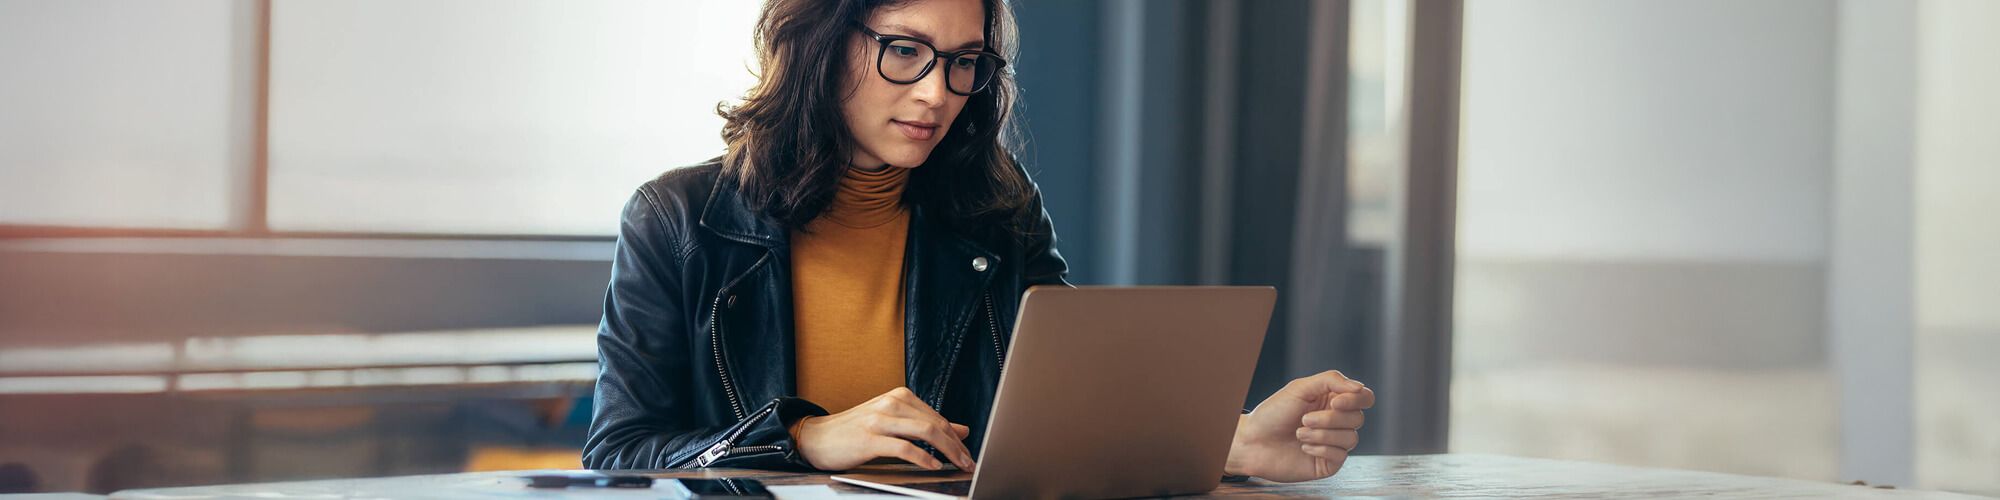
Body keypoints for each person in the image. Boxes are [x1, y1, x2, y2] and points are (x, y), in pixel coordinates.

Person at [581, 0, 1374, 483]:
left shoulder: (997, 207)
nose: (937, 93)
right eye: (904, 50)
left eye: (964, 62)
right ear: (820, 40)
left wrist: (1229, 441)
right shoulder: (679, 219)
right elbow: (618, 455)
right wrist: (801, 439)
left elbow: (1068, 416)